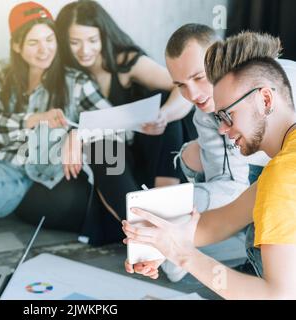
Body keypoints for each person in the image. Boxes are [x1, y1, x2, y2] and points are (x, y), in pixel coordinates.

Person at [123, 32, 296, 299]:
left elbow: (278, 296)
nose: (223, 130)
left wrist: (183, 255)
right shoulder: (281, 167)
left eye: (227, 115)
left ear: (265, 100)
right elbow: (226, 218)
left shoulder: (283, 176)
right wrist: (165, 242)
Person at [0, 2, 113, 237]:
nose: (44, 50)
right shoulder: (1, 69)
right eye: (34, 42)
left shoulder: (76, 82)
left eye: (50, 40)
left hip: (10, 178)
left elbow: (119, 124)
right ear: (17, 46)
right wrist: (35, 119)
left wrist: (77, 134)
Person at [53, 0, 193, 244]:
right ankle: (149, 234)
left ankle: (164, 218)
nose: (84, 50)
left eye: (92, 41)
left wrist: (166, 114)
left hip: (151, 149)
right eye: (75, 42)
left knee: (163, 106)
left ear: (104, 36)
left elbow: (184, 90)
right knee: (103, 146)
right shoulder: (66, 74)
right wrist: (76, 134)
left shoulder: (125, 62)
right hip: (112, 159)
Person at [160, 24, 251, 282]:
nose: (193, 95)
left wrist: (175, 210)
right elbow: (229, 183)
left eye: (199, 77)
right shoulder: (204, 115)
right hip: (258, 183)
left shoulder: (274, 83)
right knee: (190, 156)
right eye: (181, 85)